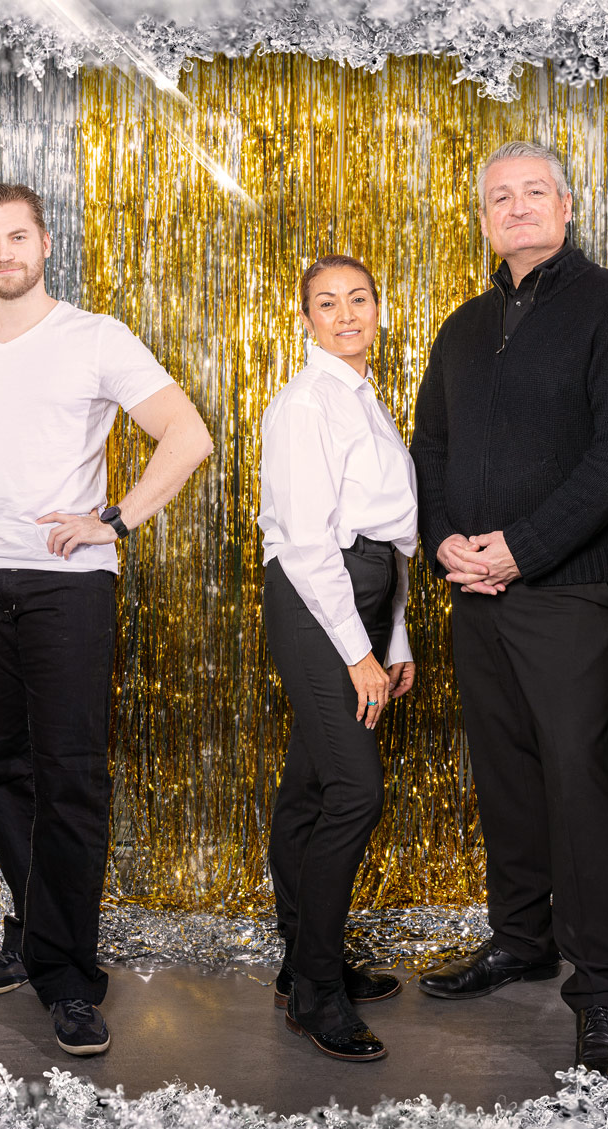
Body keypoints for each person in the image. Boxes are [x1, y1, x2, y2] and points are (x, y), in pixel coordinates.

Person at [0, 183, 214, 1056]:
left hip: (66, 582)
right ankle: (36, 932)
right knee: (4, 769)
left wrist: (116, 520)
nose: (4, 253)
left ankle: (69, 978)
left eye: (18, 237)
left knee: (69, 775)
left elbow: (187, 434)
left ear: (45, 244)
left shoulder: (95, 337)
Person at [409, 140, 608, 1074]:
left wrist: (523, 547)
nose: (515, 208)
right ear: (484, 219)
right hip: (473, 587)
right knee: (505, 772)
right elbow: (430, 446)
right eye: (498, 198)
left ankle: (600, 987)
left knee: (574, 775)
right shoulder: (464, 326)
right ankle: (521, 938)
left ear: (566, 206)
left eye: (532, 193)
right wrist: (444, 540)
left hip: (564, 587)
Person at [259, 255, 415, 1062]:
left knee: (312, 786)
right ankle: (316, 992)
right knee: (356, 790)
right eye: (327, 302)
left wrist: (395, 638)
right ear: (305, 319)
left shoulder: (363, 397)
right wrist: (359, 654)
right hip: (315, 596)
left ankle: (302, 961)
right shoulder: (305, 404)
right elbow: (308, 544)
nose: (346, 314)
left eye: (359, 298)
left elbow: (387, 531)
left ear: (378, 309)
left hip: (363, 593)